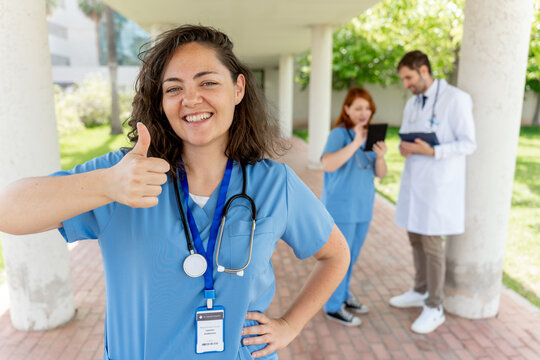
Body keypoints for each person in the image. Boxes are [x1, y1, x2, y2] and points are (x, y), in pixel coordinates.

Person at [0, 25, 350, 359]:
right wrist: (106, 184)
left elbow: (336, 255)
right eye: (173, 88)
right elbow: (8, 211)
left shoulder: (274, 184)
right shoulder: (126, 174)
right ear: (161, 101)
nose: (191, 100)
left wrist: (290, 325)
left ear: (238, 88)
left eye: (208, 82)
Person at [389, 50, 476, 334]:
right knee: (414, 236)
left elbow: (468, 143)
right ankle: (420, 289)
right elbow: (407, 135)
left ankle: (435, 306)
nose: (406, 84)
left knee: (431, 243)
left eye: (408, 78)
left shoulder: (456, 99)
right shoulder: (413, 102)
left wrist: (434, 151)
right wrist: (406, 147)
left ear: (424, 70)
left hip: (439, 185)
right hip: (416, 182)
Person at [320, 87, 387, 326]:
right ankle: (333, 306)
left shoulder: (372, 136)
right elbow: (327, 164)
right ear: (347, 109)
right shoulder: (339, 134)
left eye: (367, 108)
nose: (363, 112)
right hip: (341, 209)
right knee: (340, 259)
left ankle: (343, 296)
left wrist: (380, 156)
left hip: (362, 209)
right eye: (358, 107)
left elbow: (381, 174)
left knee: (352, 257)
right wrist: (356, 141)